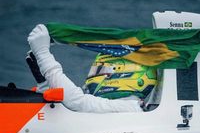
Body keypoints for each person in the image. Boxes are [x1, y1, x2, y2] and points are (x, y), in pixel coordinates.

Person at [27, 24, 158, 113]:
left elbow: (76, 102)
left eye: (101, 70)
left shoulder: (130, 108)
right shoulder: (126, 109)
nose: (93, 77)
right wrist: (44, 84)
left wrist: (43, 54)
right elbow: (62, 113)